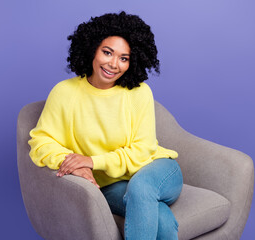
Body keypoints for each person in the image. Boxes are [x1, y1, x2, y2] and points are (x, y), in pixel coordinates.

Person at [28, 11, 183, 240]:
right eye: (107, 52)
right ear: (92, 49)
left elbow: (143, 150)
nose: (113, 64)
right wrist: (69, 162)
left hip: (156, 169)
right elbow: (41, 141)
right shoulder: (64, 92)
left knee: (141, 189)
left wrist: (92, 161)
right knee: (162, 222)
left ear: (132, 62)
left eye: (124, 58)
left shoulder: (139, 92)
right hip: (110, 185)